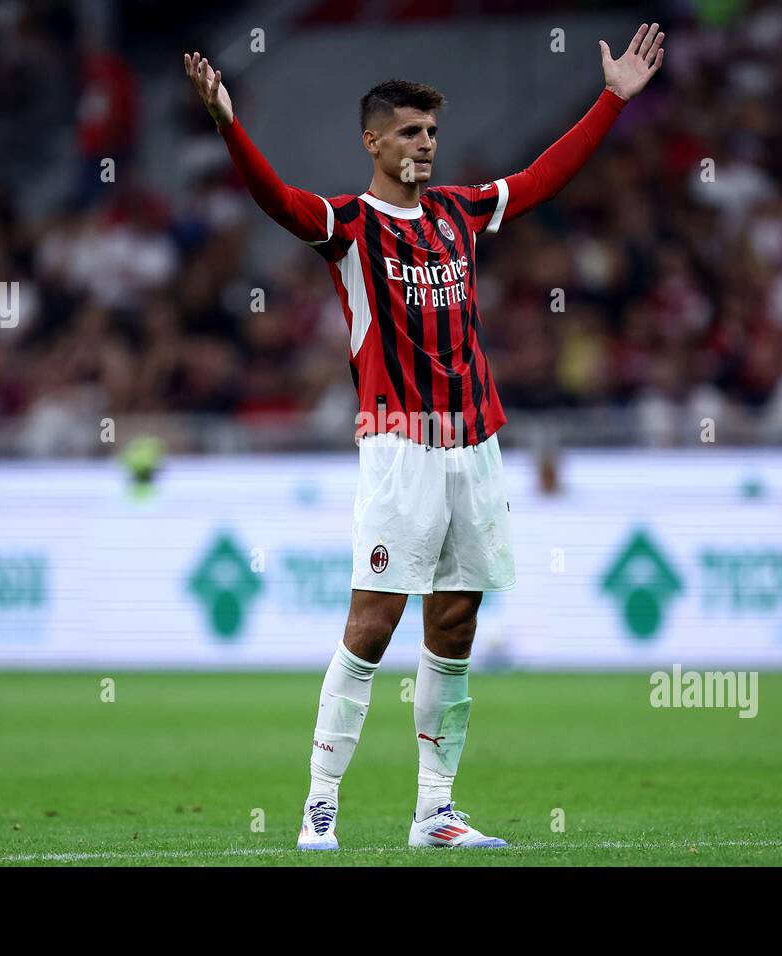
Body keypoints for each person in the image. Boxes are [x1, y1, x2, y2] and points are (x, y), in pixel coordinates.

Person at [185, 23, 665, 850]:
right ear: (372, 141)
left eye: (433, 132)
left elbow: (543, 179)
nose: (426, 145)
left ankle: (434, 812)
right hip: (400, 446)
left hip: (475, 445)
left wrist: (612, 100)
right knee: (371, 626)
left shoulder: (459, 212)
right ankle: (320, 807)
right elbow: (274, 199)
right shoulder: (347, 226)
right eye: (410, 132)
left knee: (454, 628)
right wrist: (230, 125)